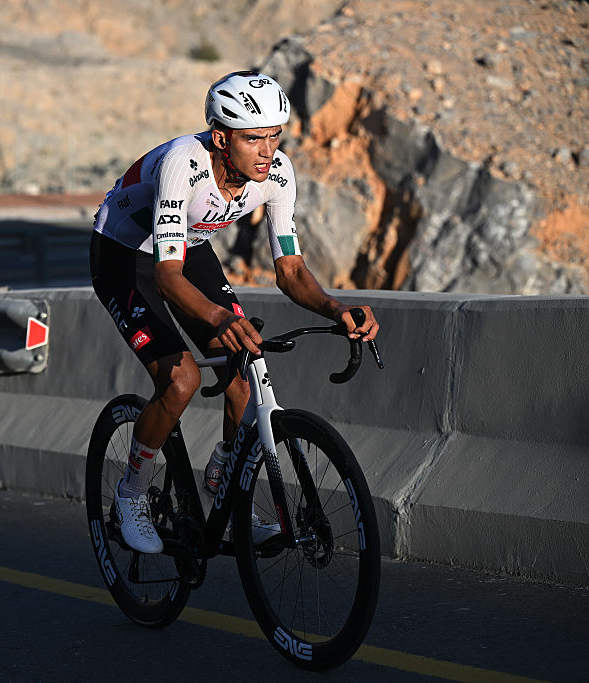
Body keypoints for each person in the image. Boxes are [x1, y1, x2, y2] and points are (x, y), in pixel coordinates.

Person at [89, 70, 380, 553]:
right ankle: (130, 495)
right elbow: (166, 278)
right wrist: (219, 318)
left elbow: (289, 271)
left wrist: (336, 307)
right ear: (221, 139)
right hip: (125, 255)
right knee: (180, 380)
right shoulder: (185, 163)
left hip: (187, 248)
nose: (267, 151)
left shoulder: (278, 174)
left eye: (274, 135)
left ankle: (221, 487)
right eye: (252, 139)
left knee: (242, 376)